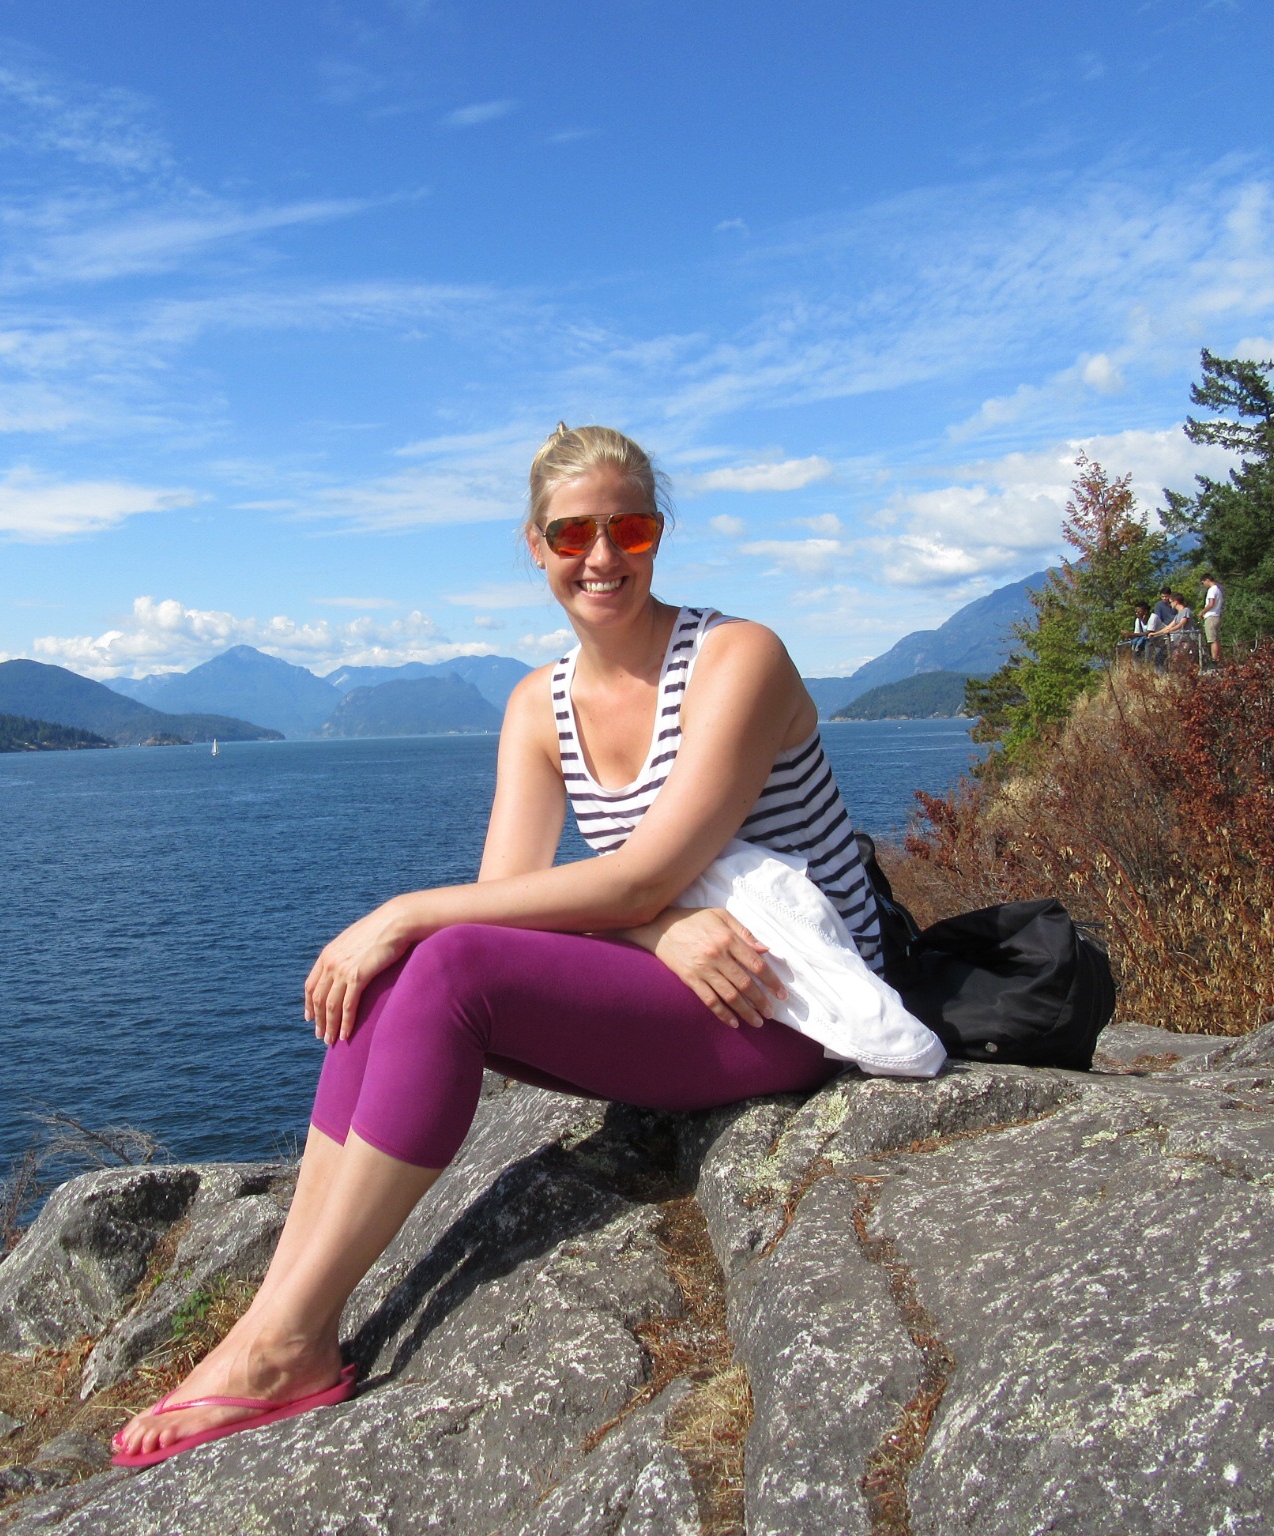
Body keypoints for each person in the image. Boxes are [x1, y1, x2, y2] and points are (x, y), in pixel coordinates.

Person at [111, 424, 891, 1464]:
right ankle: (274, 1321)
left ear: (659, 535)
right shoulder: (538, 705)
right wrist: (656, 930)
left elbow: (639, 874)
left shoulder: (736, 658)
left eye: (630, 528)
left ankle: (286, 1345)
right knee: (402, 973)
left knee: (437, 955)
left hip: (788, 998)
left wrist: (403, 908)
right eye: (572, 533)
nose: (602, 556)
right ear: (535, 545)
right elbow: (513, 903)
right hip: (687, 974)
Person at [1200, 574, 1224, 664]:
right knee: (1216, 639)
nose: (1204, 585)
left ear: (1207, 580)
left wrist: (1202, 612)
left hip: (1211, 616)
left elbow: (1211, 604)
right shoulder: (1218, 589)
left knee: (1212, 640)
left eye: (1203, 583)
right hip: (1217, 615)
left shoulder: (1212, 590)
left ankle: (1214, 660)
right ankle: (1218, 659)